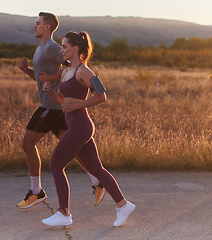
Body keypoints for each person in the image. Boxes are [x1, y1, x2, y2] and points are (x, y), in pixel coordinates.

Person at [42, 31, 135, 227]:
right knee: (96, 169)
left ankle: (64, 213)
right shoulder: (66, 71)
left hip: (81, 125)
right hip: (74, 125)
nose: (62, 50)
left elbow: (102, 96)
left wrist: (77, 105)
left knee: (55, 165)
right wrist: (50, 92)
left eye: (64, 47)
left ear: (75, 49)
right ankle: (123, 205)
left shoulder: (85, 72)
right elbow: (61, 101)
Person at [17, 12, 106, 209]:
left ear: (47, 27)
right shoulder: (41, 49)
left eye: (37, 23)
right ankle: (97, 181)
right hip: (56, 105)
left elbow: (70, 64)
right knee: (76, 149)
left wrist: (53, 79)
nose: (34, 26)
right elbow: (42, 79)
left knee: (28, 144)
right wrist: (27, 71)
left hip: (52, 106)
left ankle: (36, 192)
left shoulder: (51, 48)